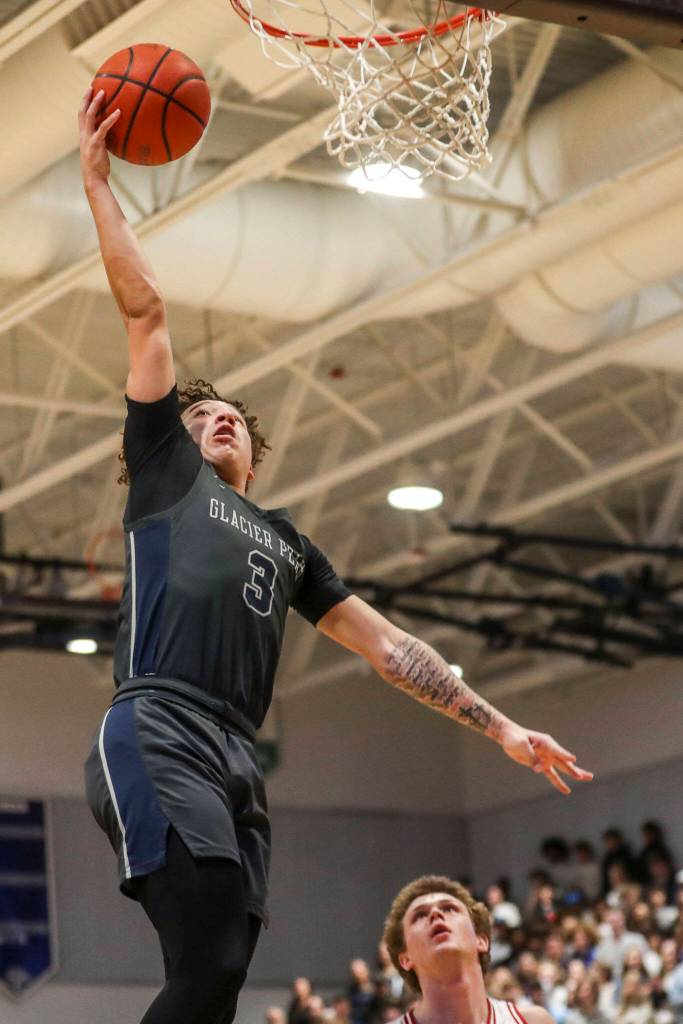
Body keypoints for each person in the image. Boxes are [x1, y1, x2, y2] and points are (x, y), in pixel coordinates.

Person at [78, 85, 593, 1024]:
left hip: (237, 750)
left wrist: (501, 730)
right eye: (199, 413)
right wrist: (98, 186)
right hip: (160, 724)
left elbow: (390, 649)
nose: (216, 418)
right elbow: (146, 313)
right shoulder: (164, 478)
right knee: (206, 951)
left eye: (230, 415)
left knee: (220, 975)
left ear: (254, 449)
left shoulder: (288, 543)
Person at [383, 874, 558, 1024]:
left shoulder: (533, 1021)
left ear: (481, 940)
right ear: (405, 958)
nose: (436, 914)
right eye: (420, 915)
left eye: (449, 908)